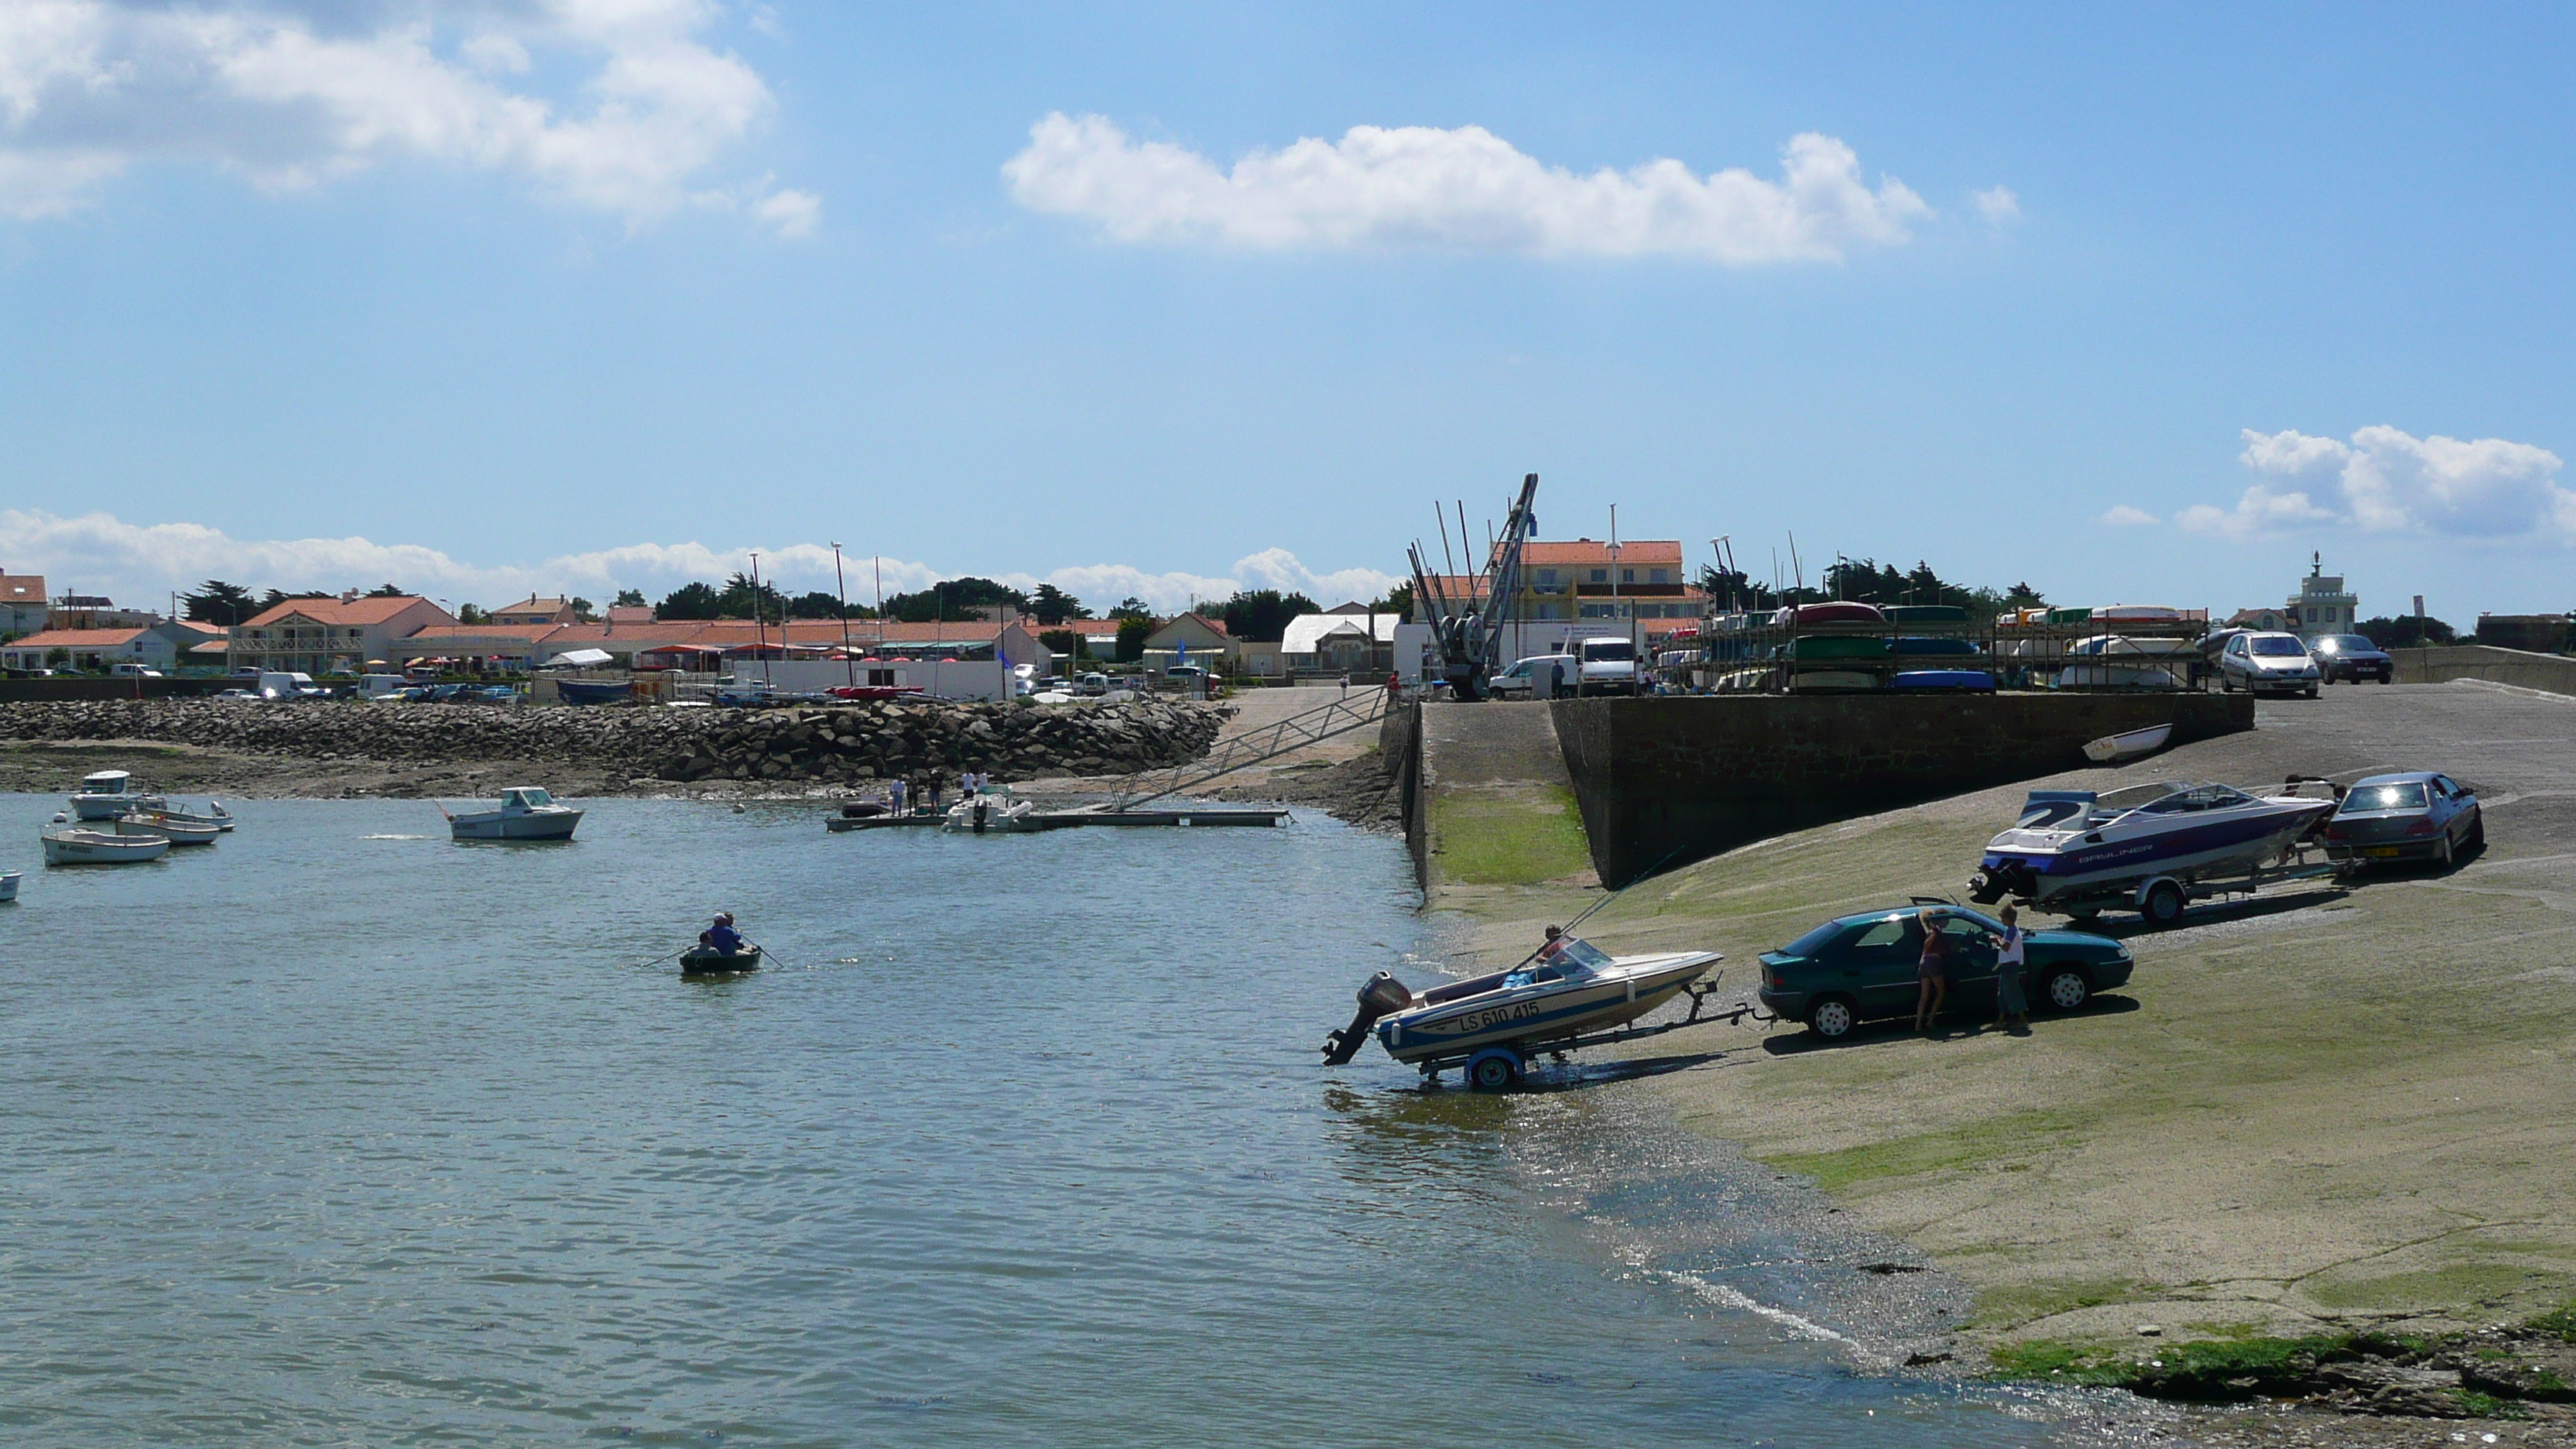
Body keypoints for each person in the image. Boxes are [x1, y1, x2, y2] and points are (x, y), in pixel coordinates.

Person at [1991, 905, 2030, 1030]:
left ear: (2008, 918)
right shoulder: (2011, 931)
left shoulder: (2011, 931)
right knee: (2002, 993)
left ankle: (2022, 1019)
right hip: (2007, 965)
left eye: (2002, 918)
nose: (2001, 920)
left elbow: (2006, 947)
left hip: (2010, 965)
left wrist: (1998, 941)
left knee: (2012, 992)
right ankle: (2001, 1020)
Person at [1913, 909, 1951, 1031]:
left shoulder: (1934, 931)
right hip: (1934, 963)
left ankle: (1918, 1024)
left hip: (1924, 964)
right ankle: (1930, 1021)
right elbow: (1927, 946)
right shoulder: (1934, 932)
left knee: (1924, 996)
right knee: (1940, 992)